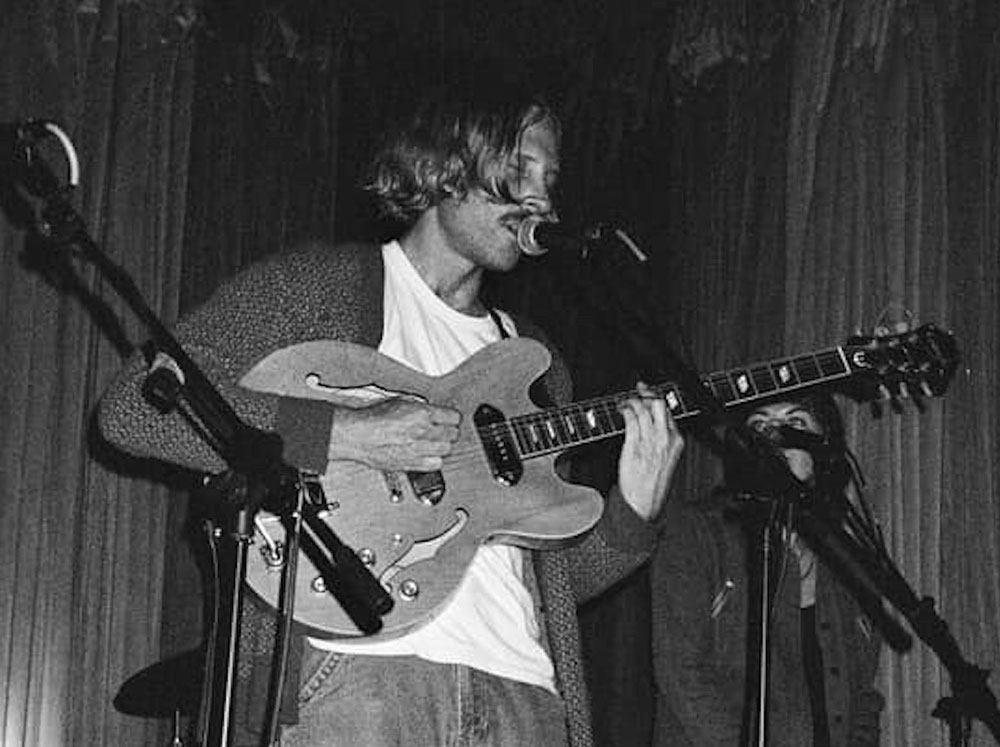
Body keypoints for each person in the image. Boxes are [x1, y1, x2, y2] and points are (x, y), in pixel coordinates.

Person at [97, 68, 685, 747]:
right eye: (519, 165)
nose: (540, 199)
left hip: (522, 693)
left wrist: (633, 513)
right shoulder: (317, 286)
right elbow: (134, 408)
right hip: (357, 680)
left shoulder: (537, 358)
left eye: (550, 179)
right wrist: (348, 432)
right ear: (442, 164)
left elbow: (552, 581)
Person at [649, 393, 884, 747]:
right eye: (759, 425)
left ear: (823, 447)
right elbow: (682, 676)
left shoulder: (852, 559)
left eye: (795, 422)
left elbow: (862, 695)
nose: (775, 435)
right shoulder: (697, 531)